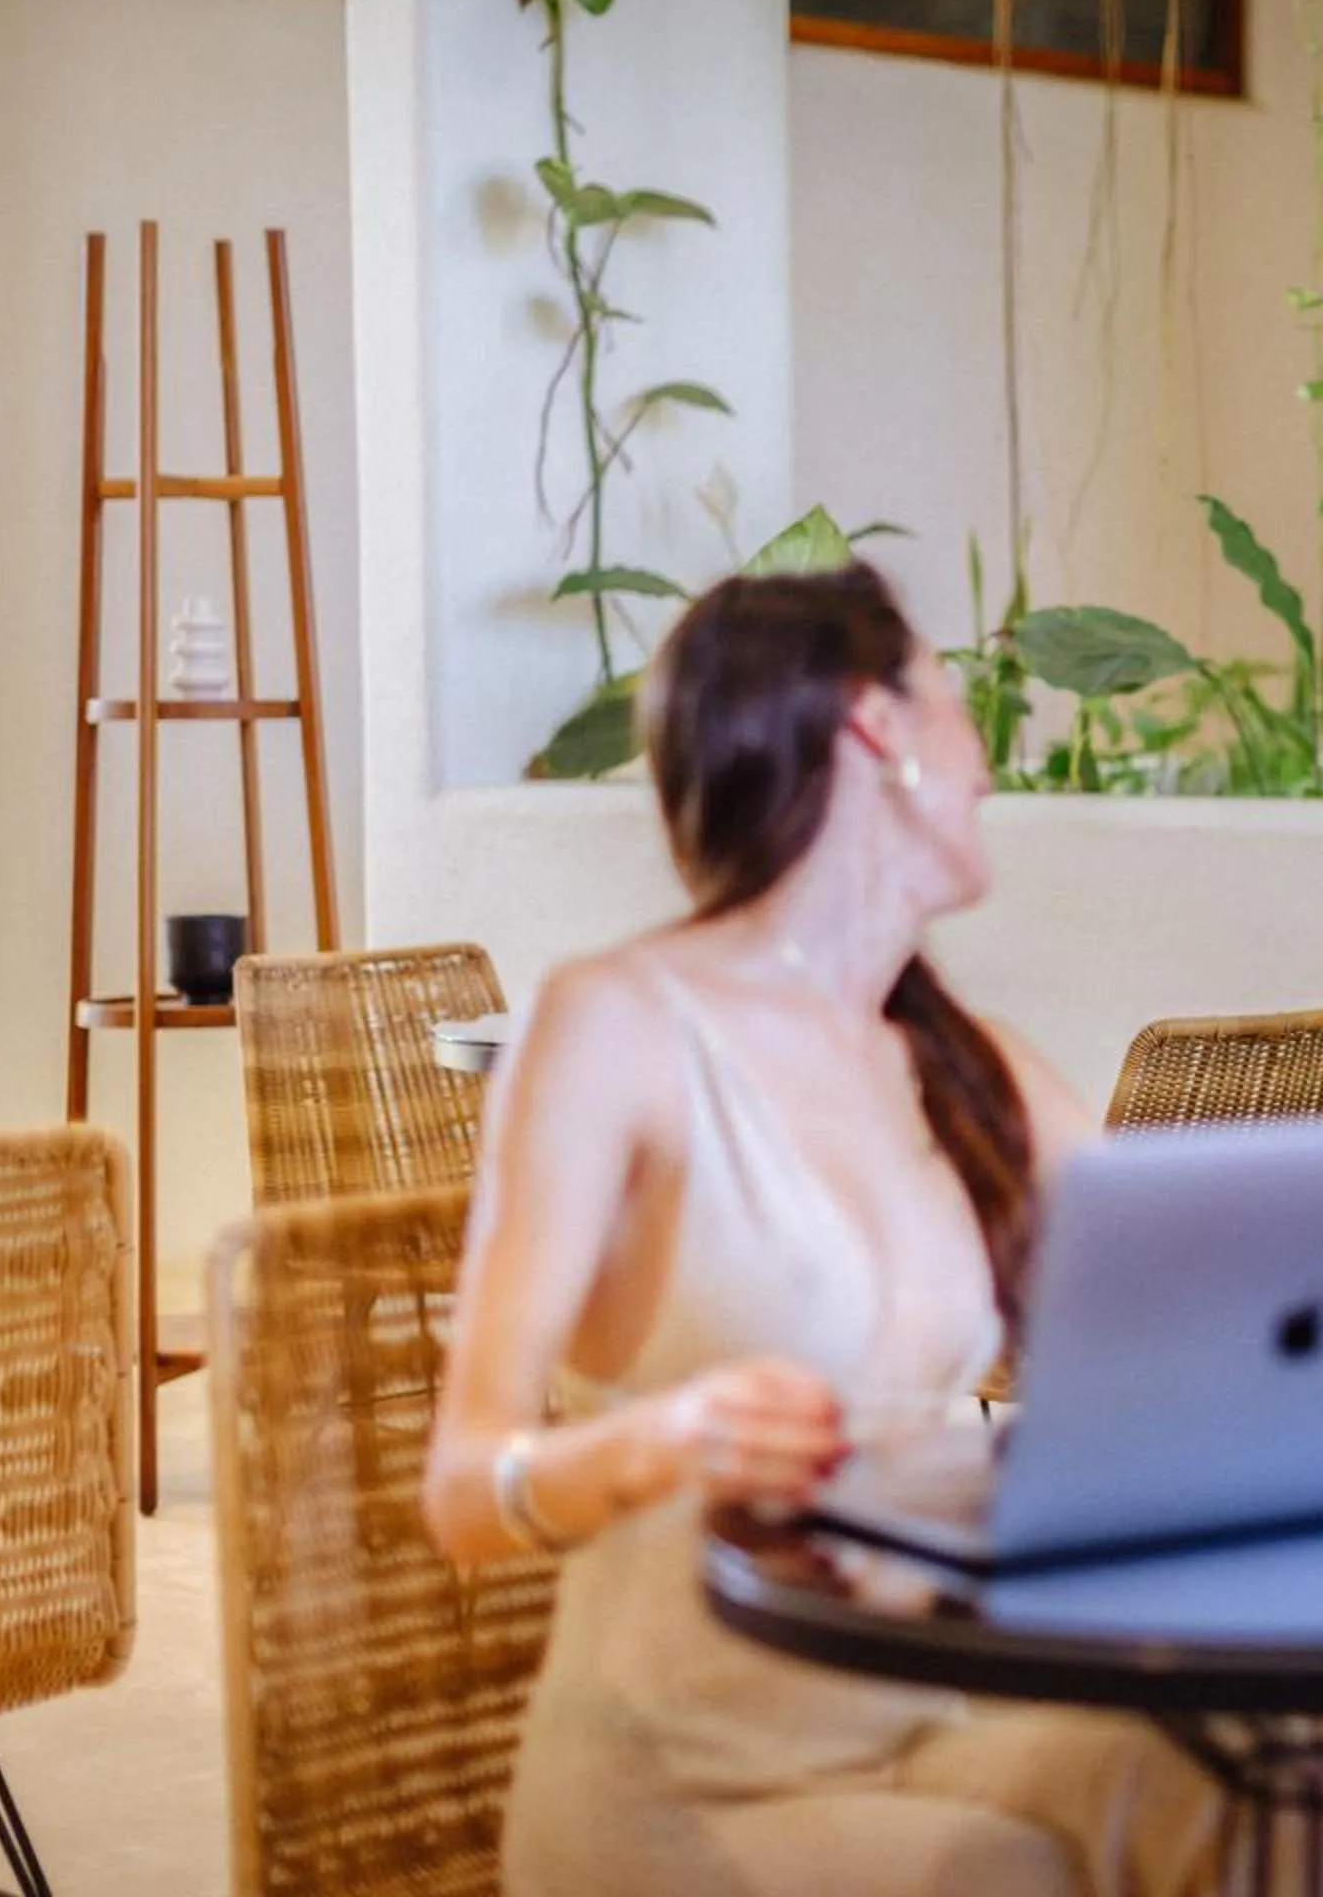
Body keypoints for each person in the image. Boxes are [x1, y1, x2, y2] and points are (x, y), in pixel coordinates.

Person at [423, 568, 1231, 1897]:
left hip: (928, 1727)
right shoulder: (618, 1024)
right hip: (675, 1788)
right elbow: (464, 1487)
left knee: (1287, 1777)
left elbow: (1195, 1335)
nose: (985, 768)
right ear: (876, 725)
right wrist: (657, 1443)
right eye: (962, 709)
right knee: (1009, 1878)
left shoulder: (982, 1071)